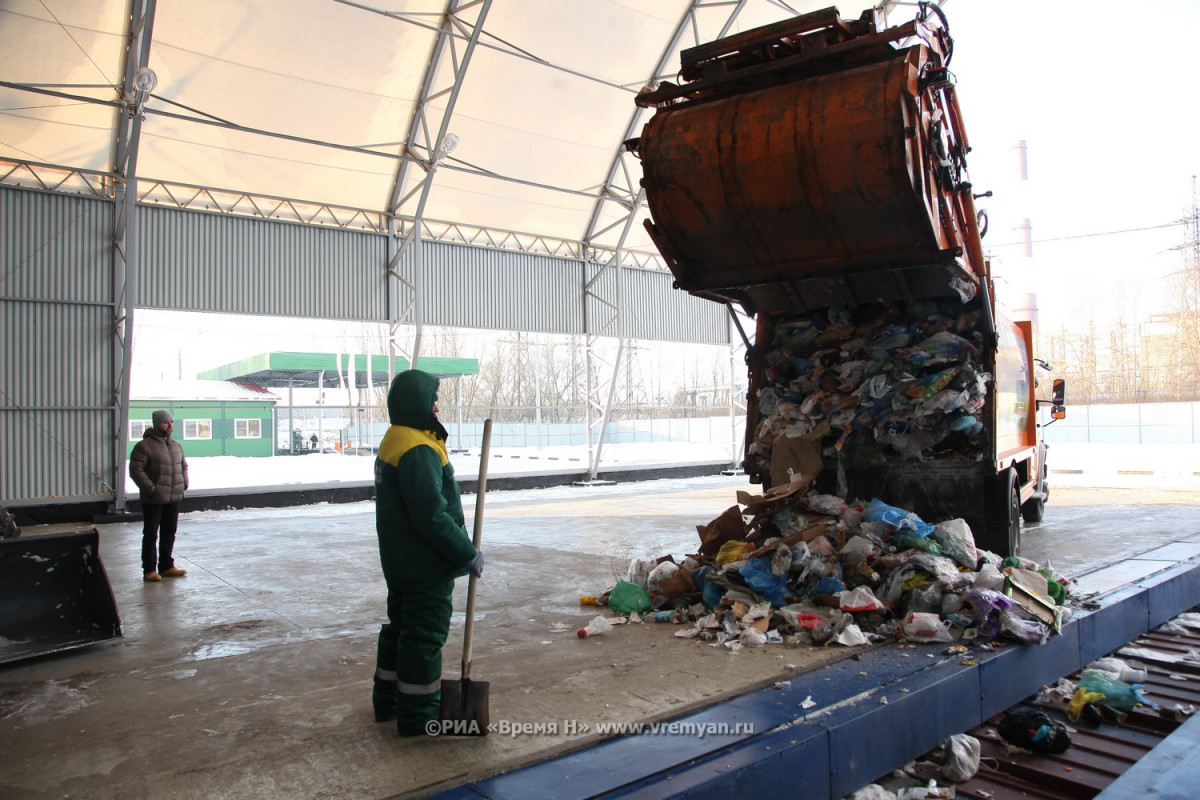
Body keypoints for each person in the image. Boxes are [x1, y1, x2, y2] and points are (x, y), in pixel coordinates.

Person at [372, 370, 483, 736]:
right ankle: (419, 718)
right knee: (423, 640)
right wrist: (465, 551)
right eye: (432, 398)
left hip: (402, 562)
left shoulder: (397, 438)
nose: (437, 406)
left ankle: (388, 703)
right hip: (425, 566)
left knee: (400, 631)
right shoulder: (418, 448)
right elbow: (431, 516)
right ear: (417, 403)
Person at [129, 410, 189, 583]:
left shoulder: (176, 446)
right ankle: (149, 569)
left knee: (169, 532)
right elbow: (136, 470)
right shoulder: (144, 446)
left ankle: (166, 566)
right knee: (151, 534)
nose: (170, 425)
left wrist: (184, 482)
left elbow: (183, 466)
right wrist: (151, 489)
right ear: (156, 424)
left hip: (173, 497)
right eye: (165, 422)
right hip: (154, 499)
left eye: (171, 422)